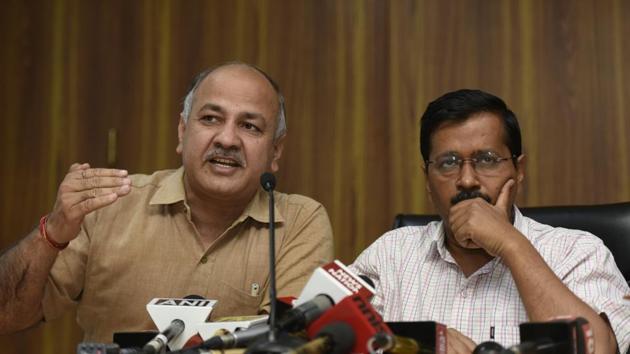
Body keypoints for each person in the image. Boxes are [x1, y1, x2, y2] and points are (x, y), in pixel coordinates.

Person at [0, 62, 334, 342]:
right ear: (182, 131)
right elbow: (8, 316)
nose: (227, 139)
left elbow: (287, 344)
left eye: (249, 126)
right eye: (210, 119)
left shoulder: (298, 222)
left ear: (275, 151)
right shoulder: (110, 205)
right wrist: (52, 233)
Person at [350, 89, 629, 354]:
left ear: (519, 170)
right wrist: (415, 343)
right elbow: (319, 335)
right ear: (427, 179)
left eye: (487, 160)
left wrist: (510, 244)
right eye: (448, 163)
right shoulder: (389, 254)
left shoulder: (578, 252)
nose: (467, 180)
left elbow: (597, 350)